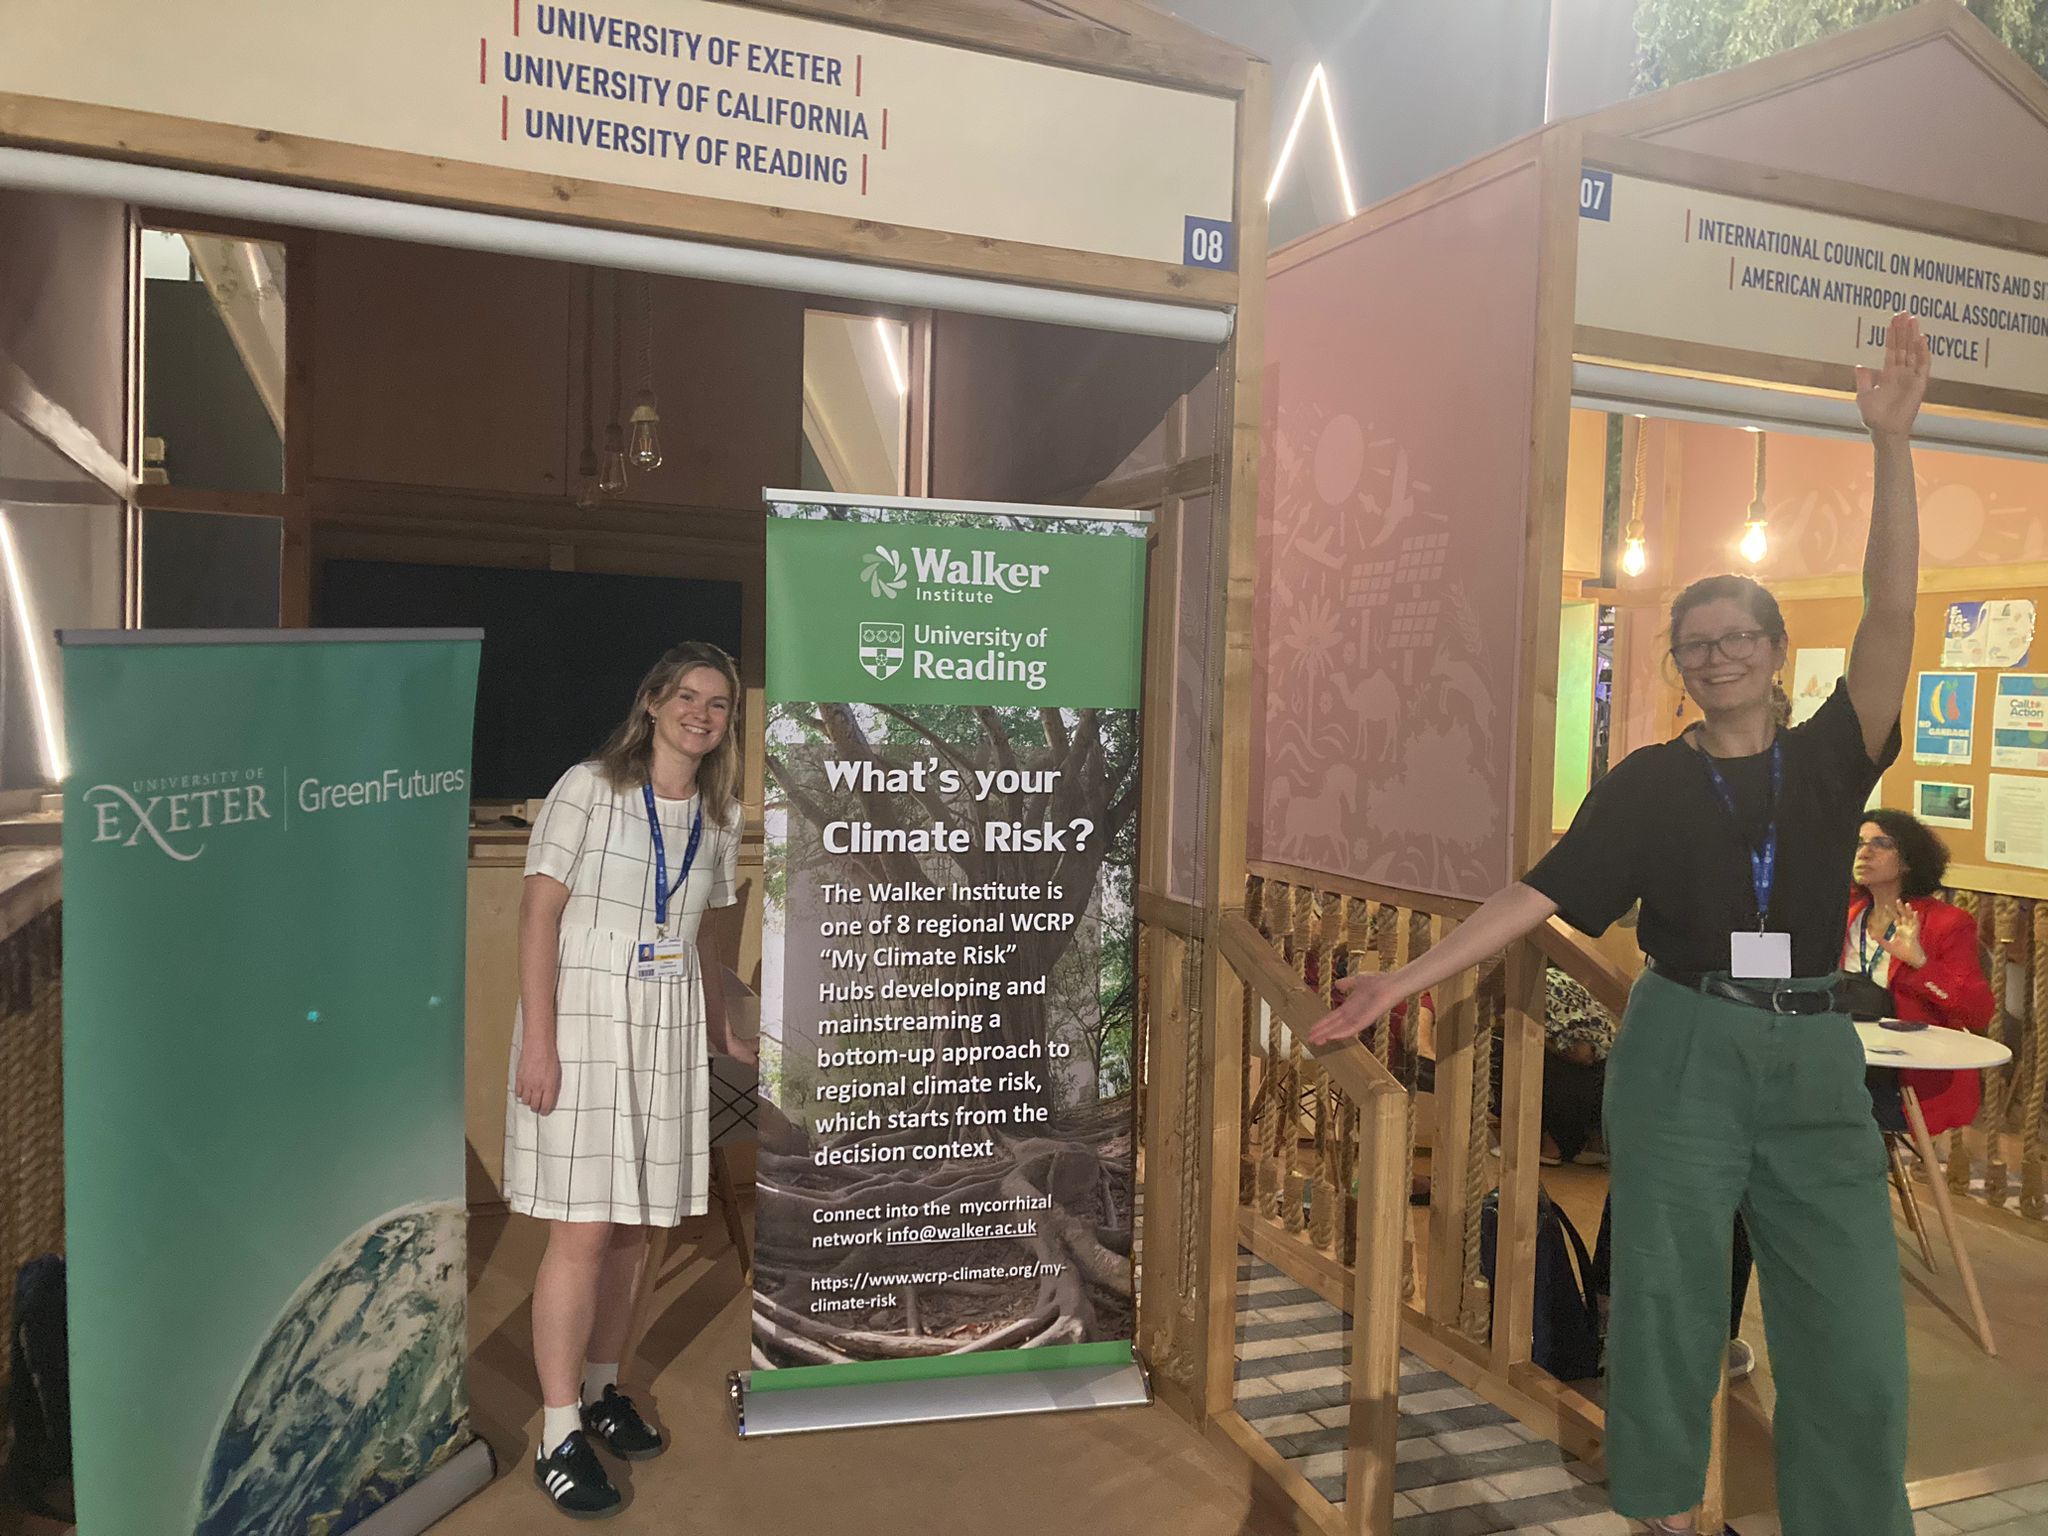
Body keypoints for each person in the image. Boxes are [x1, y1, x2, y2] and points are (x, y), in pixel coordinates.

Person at [1311, 314, 1933, 1535]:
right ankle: (1654, 1507)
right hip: (1685, 1046)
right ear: (1678, 666)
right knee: (1660, 1303)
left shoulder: (1827, 759)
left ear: (1773, 651)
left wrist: (1890, 446)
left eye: (1738, 637)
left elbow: (1892, 607)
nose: (1717, 656)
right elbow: (1535, 895)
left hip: (1812, 1053)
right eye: (1694, 645)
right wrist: (1404, 982)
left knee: (1851, 1328)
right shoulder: (1649, 781)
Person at [503, 642, 750, 1520]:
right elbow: (539, 915)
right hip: (586, 1024)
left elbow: (707, 935)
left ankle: (604, 1388)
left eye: (718, 704)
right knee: (584, 1229)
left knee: (639, 1231)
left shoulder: (720, 813)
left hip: (668, 1025)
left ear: (728, 724)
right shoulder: (589, 788)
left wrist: (722, 1017)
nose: (701, 714)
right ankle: (559, 1431)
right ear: (651, 702)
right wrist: (540, 1041)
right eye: (687, 696)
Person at [1846, 810, 1995, 1135]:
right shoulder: (1846, 915)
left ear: (1909, 861)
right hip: (1843, 1057)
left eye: (1881, 843)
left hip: (1904, 1079)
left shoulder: (1947, 924)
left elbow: (1977, 1012)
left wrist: (1921, 963)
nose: (1865, 852)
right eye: (1859, 842)